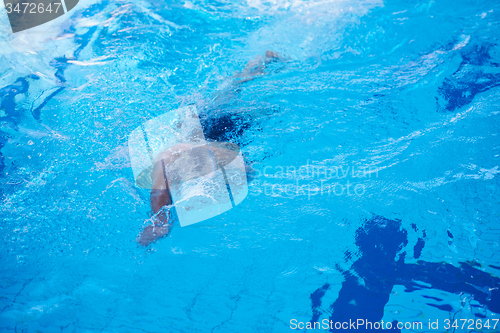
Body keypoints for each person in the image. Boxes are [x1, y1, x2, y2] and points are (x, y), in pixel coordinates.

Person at [137, 51, 283, 246]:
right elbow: (158, 193)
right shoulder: (168, 159)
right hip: (203, 131)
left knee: (237, 96)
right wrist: (159, 222)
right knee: (226, 93)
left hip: (226, 130)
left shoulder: (219, 157)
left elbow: (249, 171)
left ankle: (260, 62)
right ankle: (255, 66)